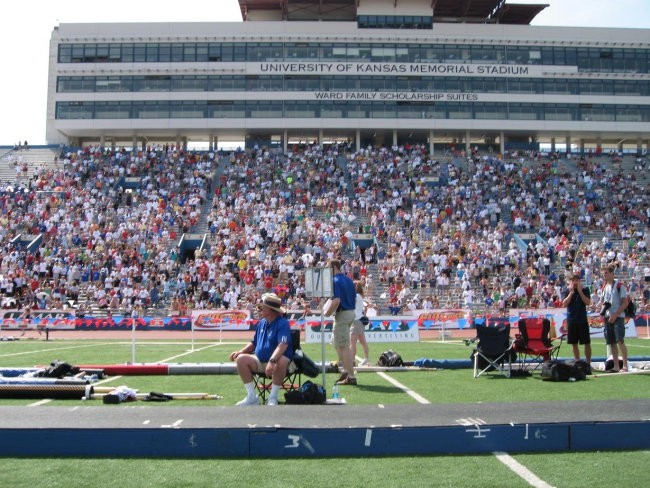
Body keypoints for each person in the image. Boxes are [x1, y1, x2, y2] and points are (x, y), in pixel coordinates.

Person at [229, 292, 294, 406]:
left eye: (261, 307)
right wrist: (240, 352)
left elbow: (283, 344)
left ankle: (272, 397)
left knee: (282, 360)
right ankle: (251, 397)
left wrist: (272, 360)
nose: (258, 309)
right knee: (241, 359)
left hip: (277, 362)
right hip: (260, 361)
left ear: (269, 309)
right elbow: (254, 343)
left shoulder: (282, 323)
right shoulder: (262, 323)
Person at [323, 259, 357, 386]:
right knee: (338, 343)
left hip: (342, 314)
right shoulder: (348, 280)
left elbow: (336, 301)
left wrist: (327, 313)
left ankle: (351, 376)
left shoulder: (334, 281)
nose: (327, 270)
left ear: (333, 267)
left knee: (343, 346)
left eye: (328, 267)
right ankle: (346, 371)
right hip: (350, 312)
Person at [601, 265, 629, 373]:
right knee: (612, 342)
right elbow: (604, 302)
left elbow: (625, 302)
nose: (604, 275)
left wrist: (616, 314)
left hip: (617, 317)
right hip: (608, 316)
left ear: (612, 273)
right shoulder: (604, 287)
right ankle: (616, 366)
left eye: (606, 273)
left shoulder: (619, 286)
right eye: (604, 273)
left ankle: (625, 365)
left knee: (620, 341)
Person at [562, 271, 592, 364]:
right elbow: (564, 304)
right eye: (573, 280)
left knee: (586, 343)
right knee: (574, 343)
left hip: (582, 319)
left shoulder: (585, 289)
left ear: (579, 281)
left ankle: (588, 363)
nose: (575, 282)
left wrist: (580, 291)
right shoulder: (567, 290)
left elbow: (588, 302)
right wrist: (571, 293)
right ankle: (578, 362)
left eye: (576, 280)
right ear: (570, 281)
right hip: (572, 320)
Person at [350, 281, 370, 367]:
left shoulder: (356, 296)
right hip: (359, 320)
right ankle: (366, 358)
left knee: (352, 342)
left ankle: (352, 360)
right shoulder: (359, 296)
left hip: (356, 320)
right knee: (362, 341)